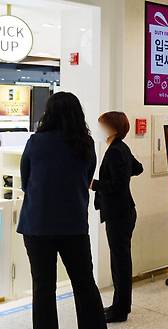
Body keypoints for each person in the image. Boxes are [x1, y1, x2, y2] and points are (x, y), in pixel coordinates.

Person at [17, 92, 106, 329]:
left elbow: (25, 181)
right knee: (84, 283)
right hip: (73, 225)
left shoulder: (35, 142)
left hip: (37, 225)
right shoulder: (85, 144)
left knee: (43, 288)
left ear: (49, 113)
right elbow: (86, 180)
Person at [92, 111, 143, 323]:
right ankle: (119, 305)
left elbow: (117, 185)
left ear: (112, 128)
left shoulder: (115, 151)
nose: (99, 130)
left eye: (102, 126)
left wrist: (93, 184)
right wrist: (123, 173)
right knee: (120, 261)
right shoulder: (120, 148)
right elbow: (137, 168)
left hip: (118, 213)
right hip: (123, 212)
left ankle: (120, 309)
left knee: (120, 263)